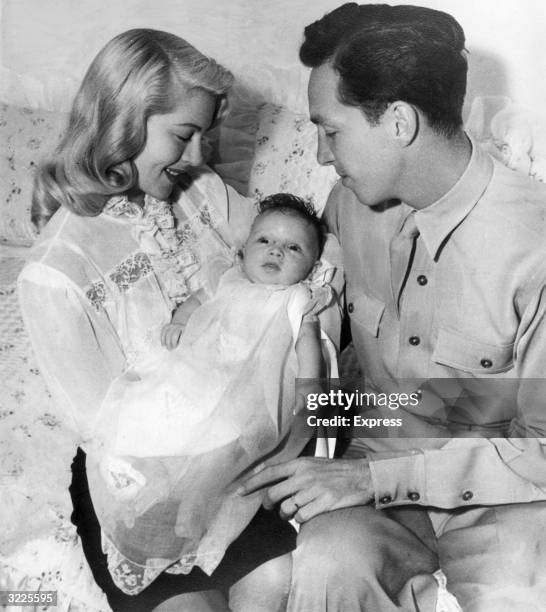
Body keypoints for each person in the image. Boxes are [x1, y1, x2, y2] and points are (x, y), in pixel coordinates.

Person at [240, 4, 546, 611]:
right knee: (324, 561)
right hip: (373, 461)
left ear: (399, 122)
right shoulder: (348, 203)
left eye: (331, 131)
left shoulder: (534, 247)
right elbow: (301, 303)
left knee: (520, 596)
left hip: (501, 493)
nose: (324, 157)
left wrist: (373, 478)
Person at [18, 28, 295, 612]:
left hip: (240, 448)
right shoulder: (56, 273)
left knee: (279, 585)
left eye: (205, 136)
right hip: (143, 482)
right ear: (122, 121)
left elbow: (284, 253)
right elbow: (110, 431)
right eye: (184, 135)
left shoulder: (200, 193)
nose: (199, 157)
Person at [91, 193, 336, 598]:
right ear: (243, 249)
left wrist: (310, 393)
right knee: (153, 407)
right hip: (204, 374)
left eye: (293, 248)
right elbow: (198, 301)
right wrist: (180, 321)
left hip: (253, 392)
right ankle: (149, 475)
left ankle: (199, 495)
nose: (276, 250)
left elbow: (310, 356)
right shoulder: (228, 277)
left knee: (229, 440)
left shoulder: (295, 300)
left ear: (310, 265)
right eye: (265, 241)